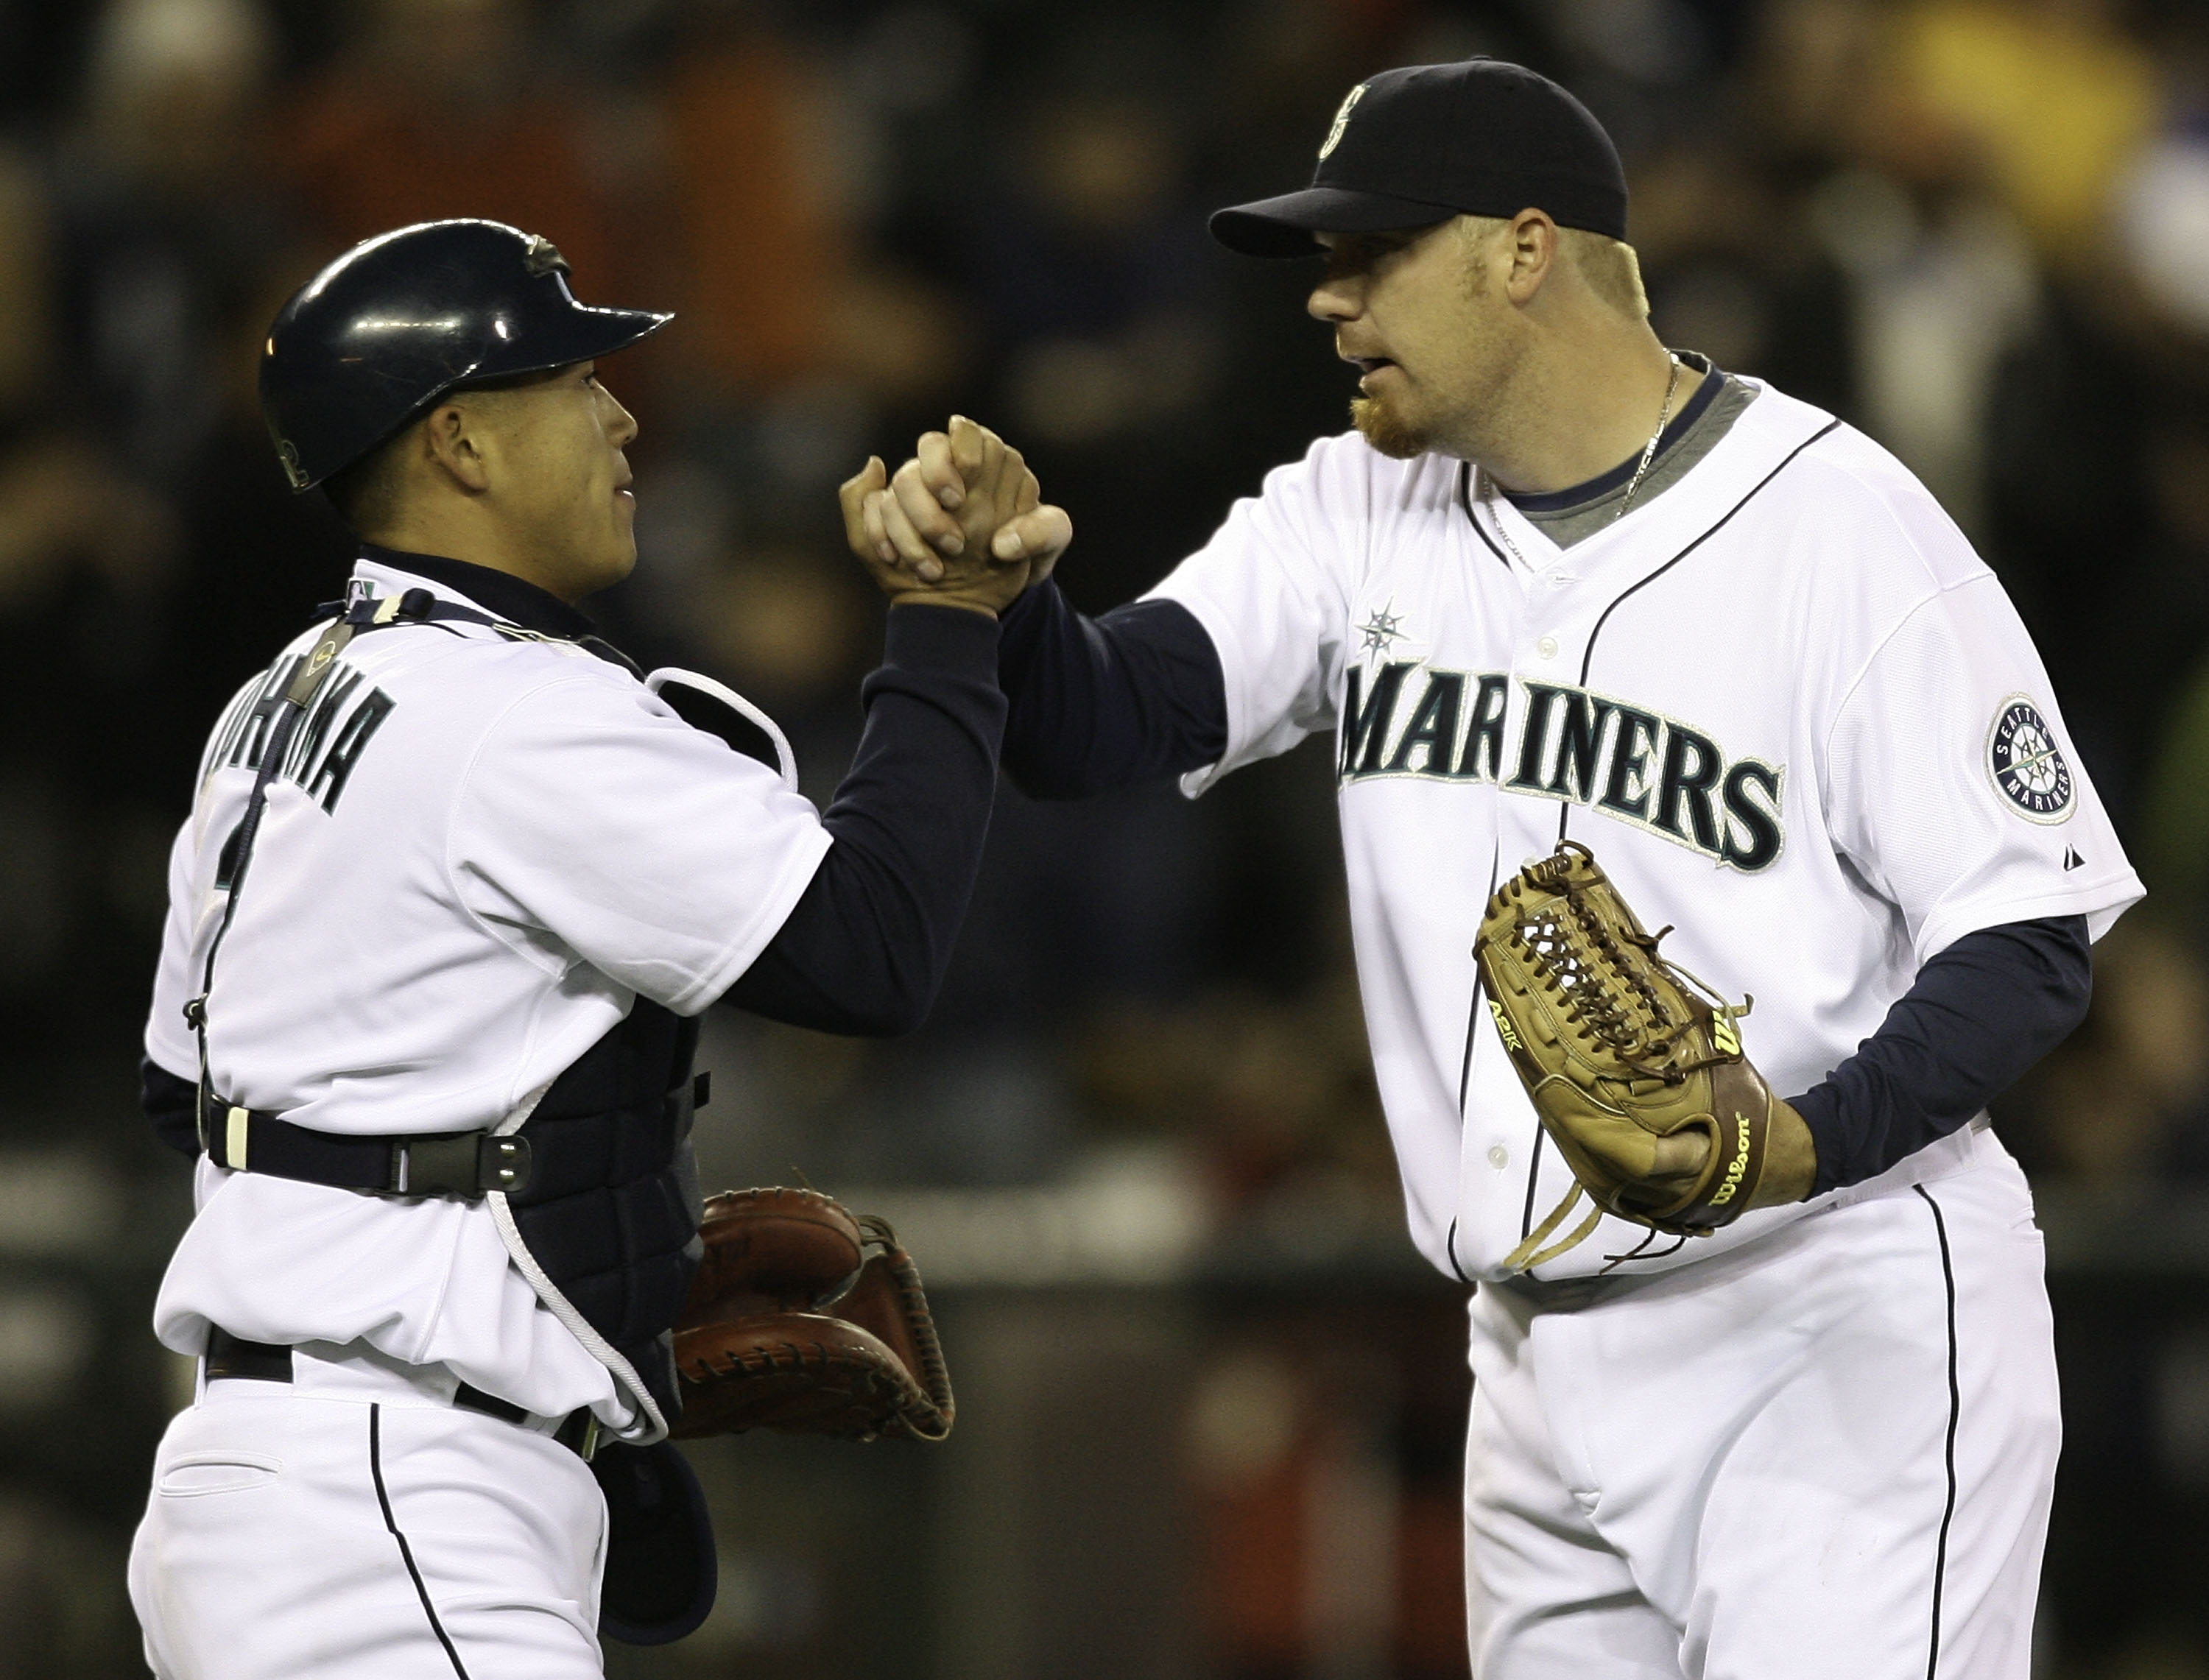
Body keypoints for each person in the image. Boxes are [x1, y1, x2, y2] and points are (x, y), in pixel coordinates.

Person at [845, 60, 2141, 1680]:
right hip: (1533, 1364)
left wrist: (1805, 1144)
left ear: (1526, 250)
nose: (1327, 296)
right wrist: (992, 607)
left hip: (1835, 1324)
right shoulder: (1352, 506)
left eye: (1371, 251)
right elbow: (1100, 721)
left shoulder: (1841, 527)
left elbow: (2028, 936)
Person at [128, 218, 1034, 1679]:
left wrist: (581, 1242)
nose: (621, 413)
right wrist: (943, 623)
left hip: (269, 1476)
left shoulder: (275, 704)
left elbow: (195, 1091)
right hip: (398, 1490)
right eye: (570, 379)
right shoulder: (515, 713)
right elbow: (870, 951)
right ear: (463, 442)